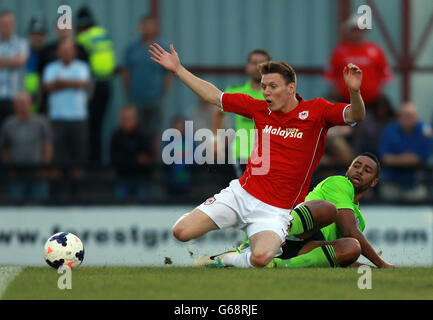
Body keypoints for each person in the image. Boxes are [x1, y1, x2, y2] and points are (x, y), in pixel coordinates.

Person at [149, 43, 365, 268]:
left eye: (273, 86)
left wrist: (355, 92)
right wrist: (178, 69)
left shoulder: (317, 111)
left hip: (276, 211)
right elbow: (215, 96)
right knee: (180, 232)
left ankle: (225, 259)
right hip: (241, 194)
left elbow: (355, 114)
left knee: (261, 259)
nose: (266, 92)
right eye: (264, 86)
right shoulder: (259, 109)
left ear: (291, 88)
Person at [196, 153, 394, 269]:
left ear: (374, 182)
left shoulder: (361, 220)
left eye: (367, 170)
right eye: (356, 166)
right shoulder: (340, 183)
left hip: (305, 249)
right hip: (295, 232)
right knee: (328, 210)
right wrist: (382, 264)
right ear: (348, 169)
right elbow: (349, 228)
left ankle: (278, 265)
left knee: (352, 247)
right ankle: (255, 242)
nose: (359, 171)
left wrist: (367, 268)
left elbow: (338, 253)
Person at [212, 49, 271, 178]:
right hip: (243, 154)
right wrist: (216, 141)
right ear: (247, 67)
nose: (258, 67)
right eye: (254, 62)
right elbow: (218, 114)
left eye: (262, 63)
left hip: (272, 155)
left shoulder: (278, 94)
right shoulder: (236, 91)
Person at [122, 15, 173, 162]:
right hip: (135, 99)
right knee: (135, 132)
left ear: (155, 28)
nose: (146, 29)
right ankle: (135, 166)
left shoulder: (161, 48)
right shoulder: (131, 49)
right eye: (144, 25)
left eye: (149, 25)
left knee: (154, 134)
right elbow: (126, 72)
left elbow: (168, 74)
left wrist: (162, 93)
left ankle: (152, 166)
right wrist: (128, 92)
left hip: (154, 100)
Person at [42, 38, 90, 179]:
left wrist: (59, 82)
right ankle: (58, 195)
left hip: (78, 118)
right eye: (62, 50)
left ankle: (78, 194)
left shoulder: (82, 67)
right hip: (57, 118)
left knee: (78, 158)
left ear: (75, 52)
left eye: (68, 50)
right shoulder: (50, 68)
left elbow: (82, 83)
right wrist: (71, 83)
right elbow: (48, 87)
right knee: (57, 157)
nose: (66, 53)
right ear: (58, 52)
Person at [76, 6, 116, 165]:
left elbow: (79, 61)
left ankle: (91, 163)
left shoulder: (83, 38)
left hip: (92, 85)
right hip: (107, 84)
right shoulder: (102, 33)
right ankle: (97, 162)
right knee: (99, 126)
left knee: (90, 126)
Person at [0, 92, 53, 200]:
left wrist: (45, 168)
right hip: (16, 173)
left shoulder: (41, 123)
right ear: (14, 105)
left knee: (40, 207)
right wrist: (9, 168)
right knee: (15, 208)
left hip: (38, 172)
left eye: (25, 102)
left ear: (31, 104)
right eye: (19, 102)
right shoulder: (8, 124)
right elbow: (4, 148)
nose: (22, 105)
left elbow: (48, 146)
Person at [378, 102, 433, 201]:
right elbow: (385, 158)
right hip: (391, 181)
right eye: (404, 115)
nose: (408, 118)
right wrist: (408, 158)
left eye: (411, 115)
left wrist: (396, 159)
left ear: (416, 117)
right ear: (399, 117)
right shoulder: (390, 130)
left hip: (416, 183)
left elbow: (423, 157)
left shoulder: (425, 131)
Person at [37, 20, 88, 116]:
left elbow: (85, 80)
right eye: (61, 27)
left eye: (67, 27)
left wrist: (60, 82)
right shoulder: (47, 50)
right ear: (55, 30)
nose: (64, 31)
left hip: (77, 106)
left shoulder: (81, 49)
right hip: (53, 105)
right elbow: (42, 79)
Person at [110, 106, 154, 200]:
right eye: (124, 118)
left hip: (141, 179)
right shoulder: (116, 136)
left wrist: (127, 159)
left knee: (143, 206)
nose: (126, 121)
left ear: (135, 119)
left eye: (128, 119)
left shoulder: (143, 135)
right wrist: (135, 160)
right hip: (122, 179)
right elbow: (114, 159)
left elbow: (147, 158)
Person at [0, 11, 29, 127]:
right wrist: (13, 60)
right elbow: (16, 61)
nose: (6, 26)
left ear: (14, 25)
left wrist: (4, 61)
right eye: (3, 23)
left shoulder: (22, 43)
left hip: (15, 98)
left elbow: (21, 61)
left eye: (9, 23)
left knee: (12, 134)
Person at [24, 13, 47, 113]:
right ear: (29, 34)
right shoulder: (22, 52)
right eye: (34, 34)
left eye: (40, 34)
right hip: (24, 100)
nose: (37, 37)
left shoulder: (49, 53)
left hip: (44, 100)